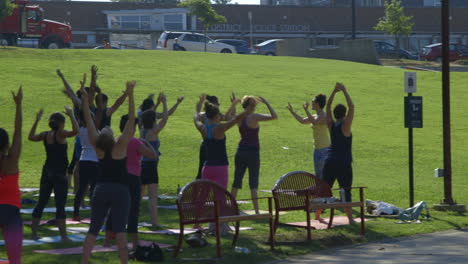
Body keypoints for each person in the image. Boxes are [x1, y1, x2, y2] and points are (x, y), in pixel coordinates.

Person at [81, 78, 135, 264]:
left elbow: (88, 120)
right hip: (120, 190)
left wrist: (85, 102)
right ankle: (124, 262)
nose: (106, 127)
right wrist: (131, 94)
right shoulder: (120, 146)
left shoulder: (99, 148)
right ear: (110, 136)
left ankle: (85, 261)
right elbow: (131, 121)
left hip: (101, 189)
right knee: (120, 231)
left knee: (93, 229)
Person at [104, 114, 157, 250]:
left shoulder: (116, 140)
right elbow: (153, 155)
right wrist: (146, 143)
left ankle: (107, 240)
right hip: (133, 178)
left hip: (118, 178)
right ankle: (134, 242)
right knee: (133, 210)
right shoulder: (135, 142)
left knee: (115, 208)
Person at [28, 107, 79, 242]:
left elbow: (31, 137)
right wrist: (72, 115)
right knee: (60, 205)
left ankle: (33, 233)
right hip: (59, 173)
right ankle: (63, 236)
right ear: (61, 123)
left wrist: (37, 120)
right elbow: (75, 131)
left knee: (41, 203)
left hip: (47, 171)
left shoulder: (45, 135)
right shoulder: (60, 134)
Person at [231, 96, 277, 214]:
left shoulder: (240, 118)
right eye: (253, 105)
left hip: (240, 151)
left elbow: (232, 116)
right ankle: (256, 211)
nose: (254, 107)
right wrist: (267, 102)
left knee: (237, 181)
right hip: (253, 153)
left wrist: (234, 104)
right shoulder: (254, 117)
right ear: (249, 106)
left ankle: (229, 208)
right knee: (253, 182)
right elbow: (274, 116)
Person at [320, 82, 355, 224]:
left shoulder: (331, 125)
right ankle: (351, 219)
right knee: (346, 191)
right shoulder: (345, 126)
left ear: (335, 114)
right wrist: (345, 91)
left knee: (325, 190)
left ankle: (318, 216)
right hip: (344, 163)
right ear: (345, 115)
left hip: (330, 161)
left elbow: (327, 107)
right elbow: (352, 107)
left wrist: (334, 92)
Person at [0, 86, 23, 264]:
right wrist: (18, 104)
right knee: (15, 260)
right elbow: (18, 129)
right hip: (11, 213)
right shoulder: (12, 160)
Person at [140, 94, 168, 227]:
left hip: (141, 165)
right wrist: (164, 103)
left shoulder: (142, 130)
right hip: (151, 166)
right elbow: (165, 118)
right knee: (152, 197)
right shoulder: (153, 132)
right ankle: (154, 223)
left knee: (138, 197)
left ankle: (131, 219)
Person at [287, 94, 330, 179]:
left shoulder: (323, 116)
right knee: (318, 175)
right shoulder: (314, 115)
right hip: (317, 149)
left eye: (313, 102)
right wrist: (292, 111)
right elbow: (302, 121)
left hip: (324, 149)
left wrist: (306, 110)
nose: (311, 103)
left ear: (318, 104)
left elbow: (315, 122)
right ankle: (321, 191)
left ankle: (325, 191)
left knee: (323, 176)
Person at [195, 94, 237, 180]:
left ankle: (197, 189)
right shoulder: (217, 116)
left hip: (205, 144)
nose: (218, 105)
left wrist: (200, 102)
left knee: (201, 171)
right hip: (216, 147)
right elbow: (231, 118)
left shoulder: (204, 115)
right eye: (217, 104)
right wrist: (234, 105)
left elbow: (196, 115)